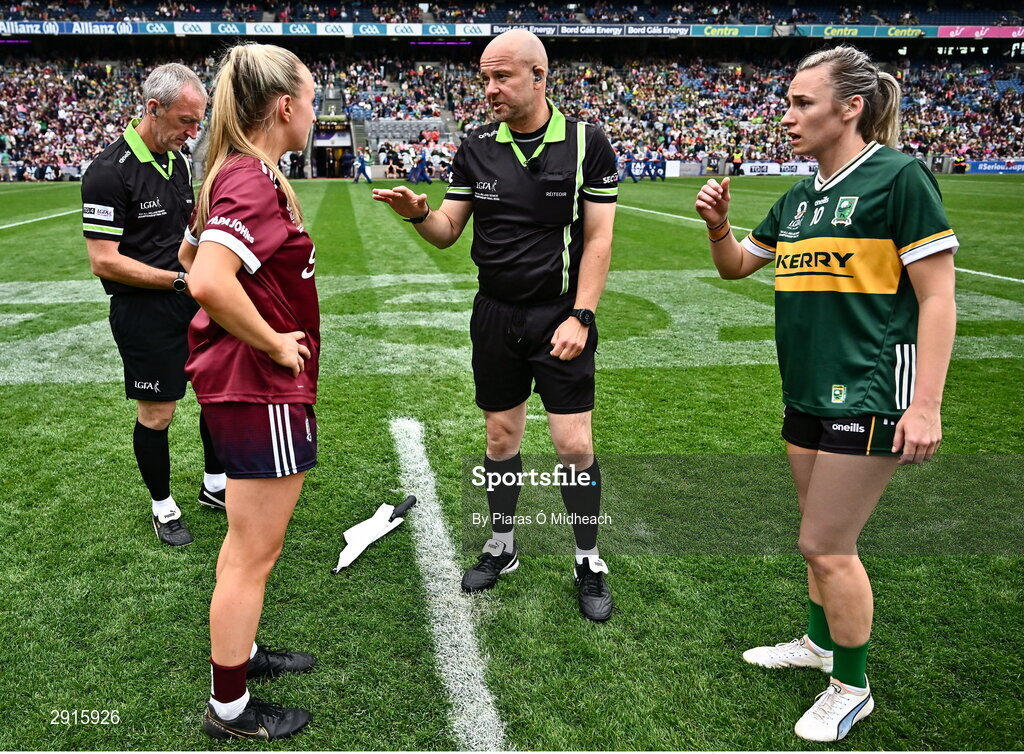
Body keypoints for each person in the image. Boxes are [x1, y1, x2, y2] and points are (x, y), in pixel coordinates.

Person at [694, 45, 958, 742]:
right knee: (816, 541)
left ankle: (852, 685)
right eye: (787, 102)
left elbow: (938, 299)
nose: (787, 116)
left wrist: (925, 403)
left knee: (827, 543)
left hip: (869, 391)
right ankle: (819, 646)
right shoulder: (800, 195)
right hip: (807, 391)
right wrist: (718, 225)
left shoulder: (899, 179)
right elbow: (736, 267)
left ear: (852, 108)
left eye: (801, 103)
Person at [373, 29, 618, 622]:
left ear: (539, 76)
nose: (490, 89)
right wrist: (419, 214)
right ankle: (503, 546)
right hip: (495, 314)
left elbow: (598, 238)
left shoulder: (588, 142)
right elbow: (448, 231)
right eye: (485, 77)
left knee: (573, 444)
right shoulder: (477, 145)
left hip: (560, 314)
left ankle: (588, 559)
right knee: (500, 439)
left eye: (501, 77)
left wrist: (581, 315)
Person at [179, 43, 320, 741]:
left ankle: (242, 654)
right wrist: (271, 340)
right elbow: (206, 278)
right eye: (313, 101)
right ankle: (229, 706)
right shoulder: (251, 180)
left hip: (249, 389)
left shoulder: (236, 173)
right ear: (286, 107)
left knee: (245, 546)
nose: (316, 114)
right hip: (259, 388)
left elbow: (190, 254)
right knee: (251, 553)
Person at [82, 63, 226, 548]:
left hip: (191, 298)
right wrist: (179, 281)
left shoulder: (179, 160)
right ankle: (163, 505)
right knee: (158, 413)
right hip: (145, 311)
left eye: (197, 121)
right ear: (152, 109)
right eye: (186, 121)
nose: (193, 132)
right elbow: (104, 261)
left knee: (213, 395)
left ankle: (215, 484)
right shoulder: (107, 172)